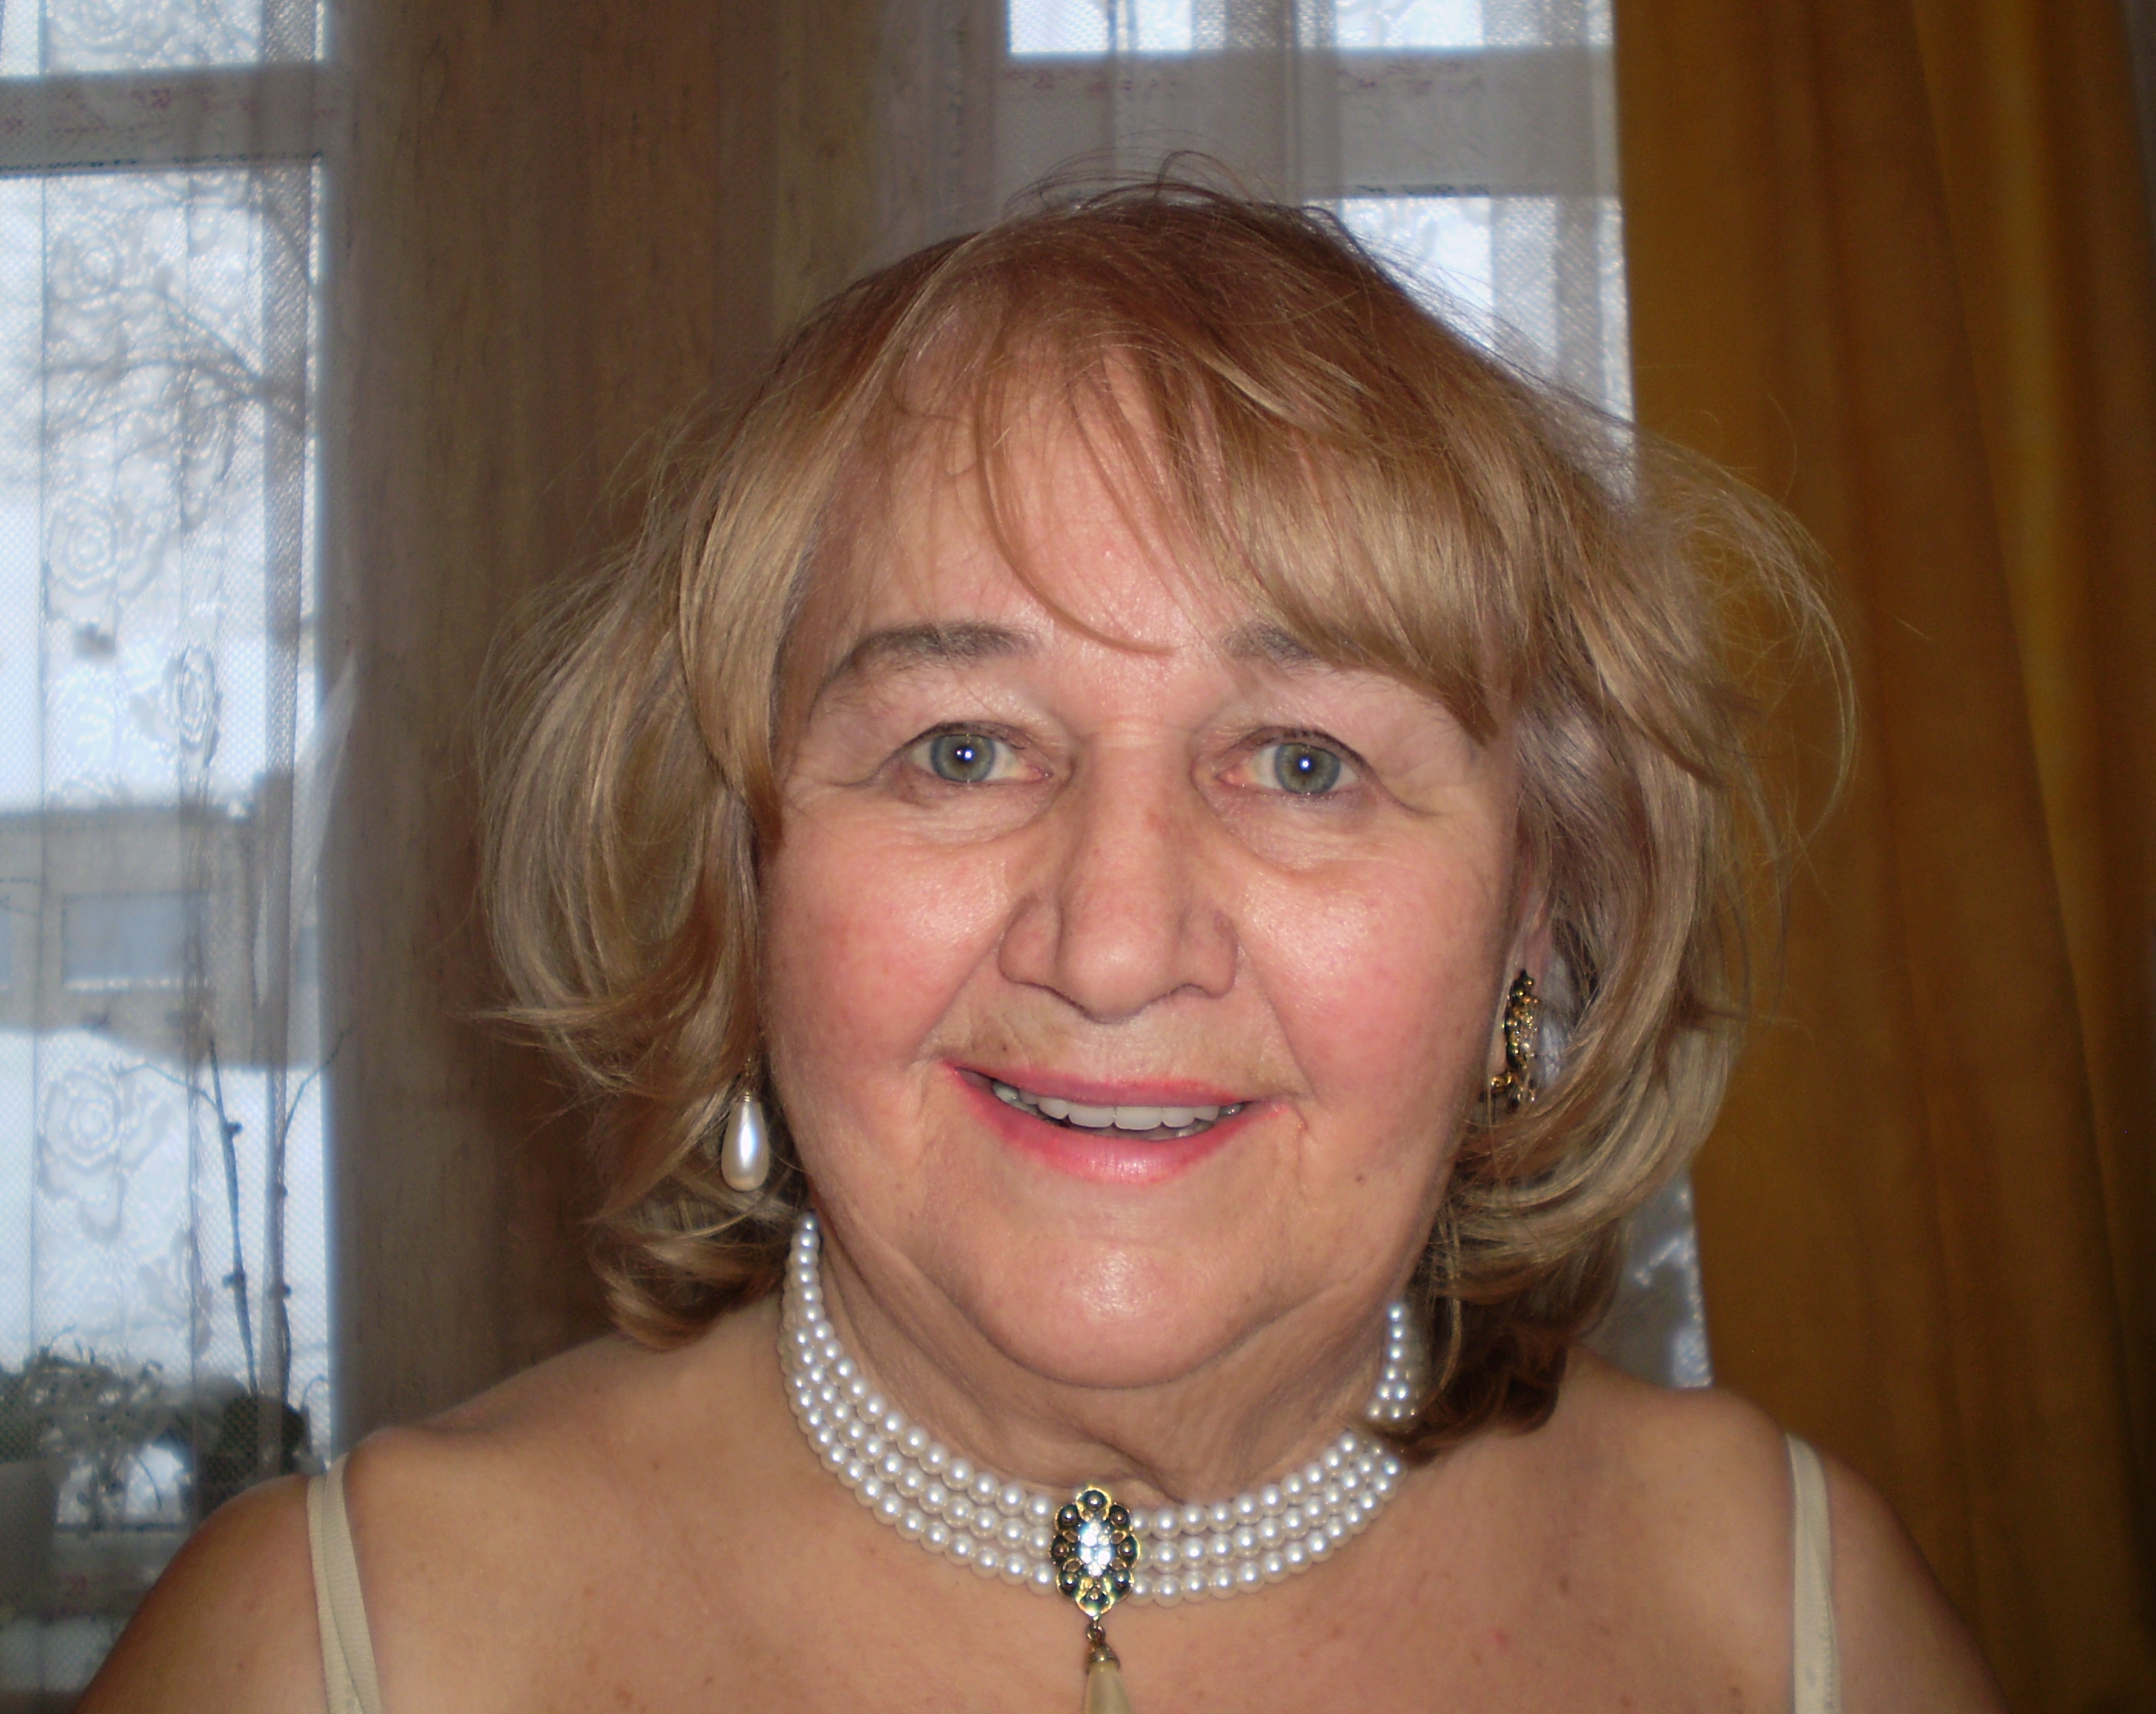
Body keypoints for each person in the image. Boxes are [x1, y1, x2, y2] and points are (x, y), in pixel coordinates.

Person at [82, 184, 2005, 1713]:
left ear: (1534, 913)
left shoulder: (1793, 1617)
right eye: (962, 749)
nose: (1111, 943)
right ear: (744, 881)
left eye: (1306, 761)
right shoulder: (334, 1650)